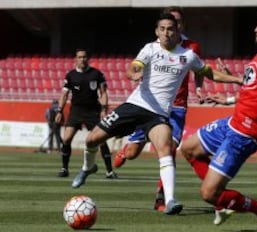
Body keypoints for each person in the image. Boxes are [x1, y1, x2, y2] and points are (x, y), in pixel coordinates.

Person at [70, 13, 243, 216]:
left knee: (165, 149)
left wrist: (237, 80)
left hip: (158, 114)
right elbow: (135, 66)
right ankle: (87, 168)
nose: (166, 33)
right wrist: (134, 73)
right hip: (134, 105)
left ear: (178, 31)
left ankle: (169, 200)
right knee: (92, 140)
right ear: (157, 32)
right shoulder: (150, 49)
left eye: (170, 29)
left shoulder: (187, 56)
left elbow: (209, 73)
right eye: (162, 29)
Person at [180, 5, 257, 232]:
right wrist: (227, 99)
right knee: (188, 149)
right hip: (233, 121)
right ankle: (223, 201)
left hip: (246, 132)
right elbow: (256, 89)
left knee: (208, 193)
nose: (255, 28)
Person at [112, 6, 204, 212]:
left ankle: (162, 199)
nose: (173, 27)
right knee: (135, 152)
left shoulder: (192, 47)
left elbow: (198, 69)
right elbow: (137, 65)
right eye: (170, 23)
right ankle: (127, 150)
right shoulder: (155, 46)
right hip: (151, 105)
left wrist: (198, 87)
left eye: (177, 22)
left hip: (177, 107)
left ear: (182, 25)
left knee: (169, 149)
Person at [54, 48, 118, 179]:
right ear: (75, 59)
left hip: (93, 111)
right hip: (76, 111)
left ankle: (109, 171)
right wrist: (59, 111)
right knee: (66, 139)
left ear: (87, 58)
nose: (82, 59)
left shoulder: (96, 74)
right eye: (79, 57)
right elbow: (64, 95)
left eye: (84, 57)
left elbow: (103, 93)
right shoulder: (70, 75)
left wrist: (103, 110)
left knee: (101, 140)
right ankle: (64, 168)